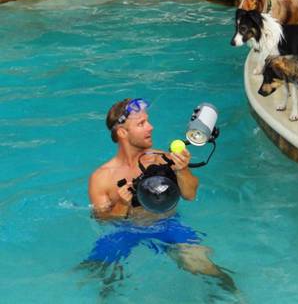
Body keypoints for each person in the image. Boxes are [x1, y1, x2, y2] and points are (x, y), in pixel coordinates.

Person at [85, 98, 235, 293]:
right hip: (125, 230)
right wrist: (122, 204)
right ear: (122, 132)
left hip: (167, 224)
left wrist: (182, 170)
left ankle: (236, 297)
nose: (151, 127)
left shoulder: (162, 158)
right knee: (101, 272)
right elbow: (101, 218)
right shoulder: (101, 177)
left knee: (202, 266)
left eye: (148, 121)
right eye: (141, 124)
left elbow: (190, 194)